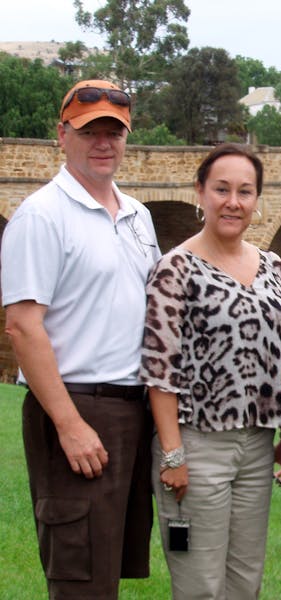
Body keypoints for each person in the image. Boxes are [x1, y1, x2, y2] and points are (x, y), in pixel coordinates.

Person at [1, 79, 159, 598]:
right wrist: (68, 425)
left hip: (131, 408)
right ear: (62, 135)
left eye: (115, 131)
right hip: (75, 409)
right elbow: (23, 326)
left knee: (107, 569)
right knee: (79, 576)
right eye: (90, 130)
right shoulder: (41, 216)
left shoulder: (139, 215)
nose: (104, 142)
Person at [139, 143, 281, 599]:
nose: (233, 201)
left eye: (245, 191)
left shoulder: (273, 267)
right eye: (222, 189)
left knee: (244, 583)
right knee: (199, 587)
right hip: (195, 445)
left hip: (256, 447)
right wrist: (173, 455)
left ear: (257, 199)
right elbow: (158, 366)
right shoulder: (175, 269)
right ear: (200, 193)